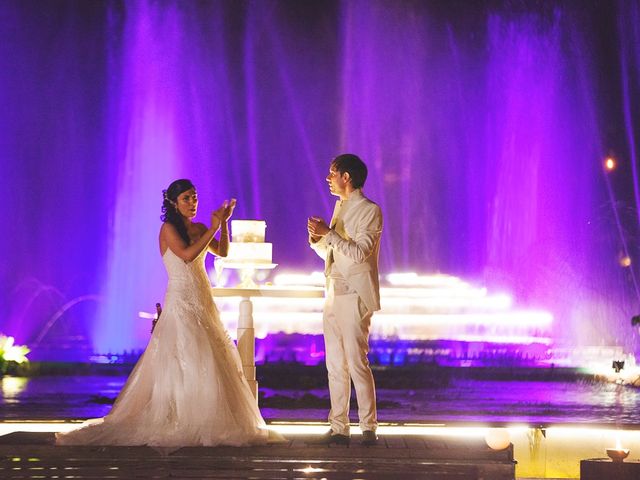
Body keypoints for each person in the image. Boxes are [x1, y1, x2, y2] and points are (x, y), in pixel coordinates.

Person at [57, 179, 277, 448]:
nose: (192, 202)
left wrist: (224, 225)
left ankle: (207, 418)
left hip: (202, 297)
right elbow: (186, 255)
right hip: (181, 299)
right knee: (184, 354)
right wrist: (214, 228)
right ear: (174, 202)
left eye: (195, 197)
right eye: (186, 198)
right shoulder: (168, 229)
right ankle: (179, 417)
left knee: (210, 354)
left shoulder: (198, 227)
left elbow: (222, 252)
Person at [307, 154, 383, 446]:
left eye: (332, 173)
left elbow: (360, 252)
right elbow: (333, 255)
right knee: (335, 364)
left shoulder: (369, 210)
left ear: (346, 177)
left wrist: (330, 234)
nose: (328, 178)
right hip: (333, 292)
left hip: (354, 295)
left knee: (356, 361)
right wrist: (318, 239)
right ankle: (339, 426)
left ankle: (368, 427)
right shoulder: (341, 206)